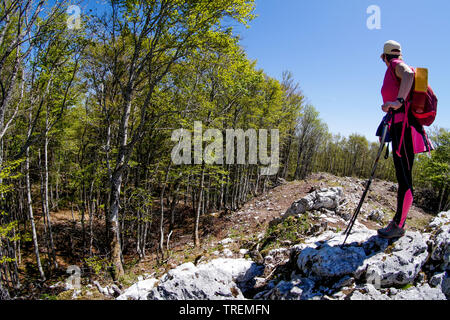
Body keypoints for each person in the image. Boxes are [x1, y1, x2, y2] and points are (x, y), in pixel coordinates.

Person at [377, 40, 416, 239]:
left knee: (404, 178)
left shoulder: (394, 65)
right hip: (399, 127)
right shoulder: (394, 66)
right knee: (402, 176)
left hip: (404, 129)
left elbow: (408, 73)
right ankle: (398, 221)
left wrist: (397, 101)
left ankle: (399, 225)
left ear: (384, 56)